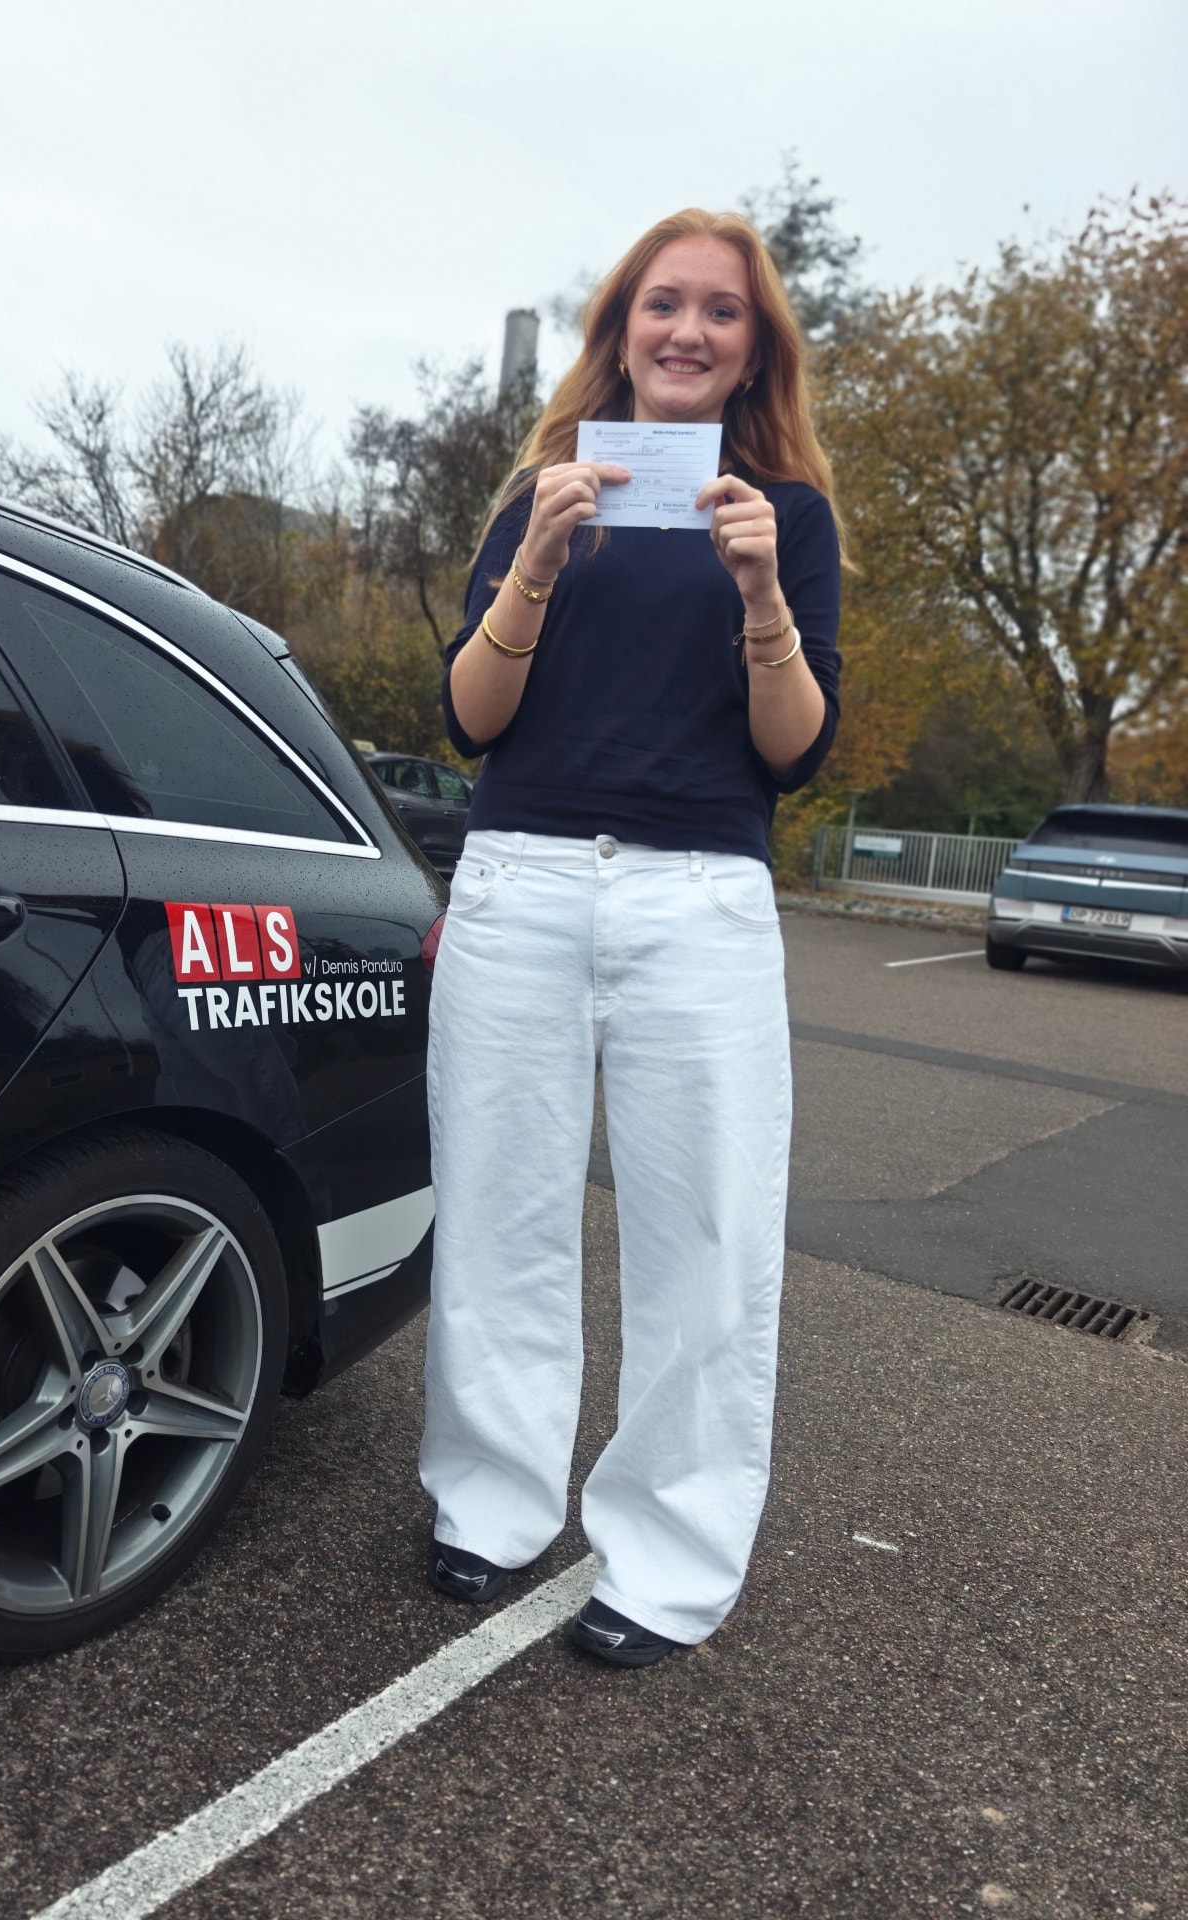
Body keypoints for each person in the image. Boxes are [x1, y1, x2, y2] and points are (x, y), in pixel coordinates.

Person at [418, 208, 843, 1666]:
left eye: (722, 313)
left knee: (706, 1237)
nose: (688, 330)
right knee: (498, 1209)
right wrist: (535, 562)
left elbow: (795, 753)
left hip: (696, 901)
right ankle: (491, 1499)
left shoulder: (782, 511)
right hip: (524, 878)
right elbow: (472, 719)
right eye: (664, 303)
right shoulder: (543, 492)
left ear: (752, 351)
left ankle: (666, 1559)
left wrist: (762, 596)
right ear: (620, 328)